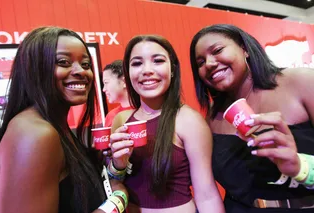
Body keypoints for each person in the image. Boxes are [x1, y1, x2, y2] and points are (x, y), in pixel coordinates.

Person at [0, 26, 128, 213]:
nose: (80, 71)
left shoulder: (54, 126)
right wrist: (117, 202)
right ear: (34, 69)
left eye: (86, 64)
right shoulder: (35, 133)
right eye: (63, 62)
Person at [190, 24, 314, 212]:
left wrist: (301, 167)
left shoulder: (301, 82)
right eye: (200, 62)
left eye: (217, 50)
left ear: (244, 49)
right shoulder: (210, 120)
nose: (209, 63)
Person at [108, 35, 225, 213]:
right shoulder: (122, 120)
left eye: (158, 61)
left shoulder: (188, 120)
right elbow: (114, 181)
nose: (147, 70)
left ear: (172, 69)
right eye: (137, 63)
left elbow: (206, 194)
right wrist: (118, 163)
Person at [102, 60, 133, 127]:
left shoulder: (146, 111)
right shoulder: (111, 116)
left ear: (124, 82)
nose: (104, 89)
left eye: (106, 82)